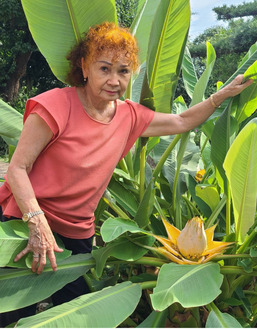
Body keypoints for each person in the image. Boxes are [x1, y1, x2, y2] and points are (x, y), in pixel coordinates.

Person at [0, 22, 252, 326]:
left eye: (123, 71)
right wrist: (36, 222)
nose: (114, 80)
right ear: (84, 67)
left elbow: (181, 122)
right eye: (104, 68)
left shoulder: (130, 115)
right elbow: (17, 169)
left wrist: (218, 97)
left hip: (77, 232)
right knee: (13, 308)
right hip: (28, 220)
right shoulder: (54, 106)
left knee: (74, 310)